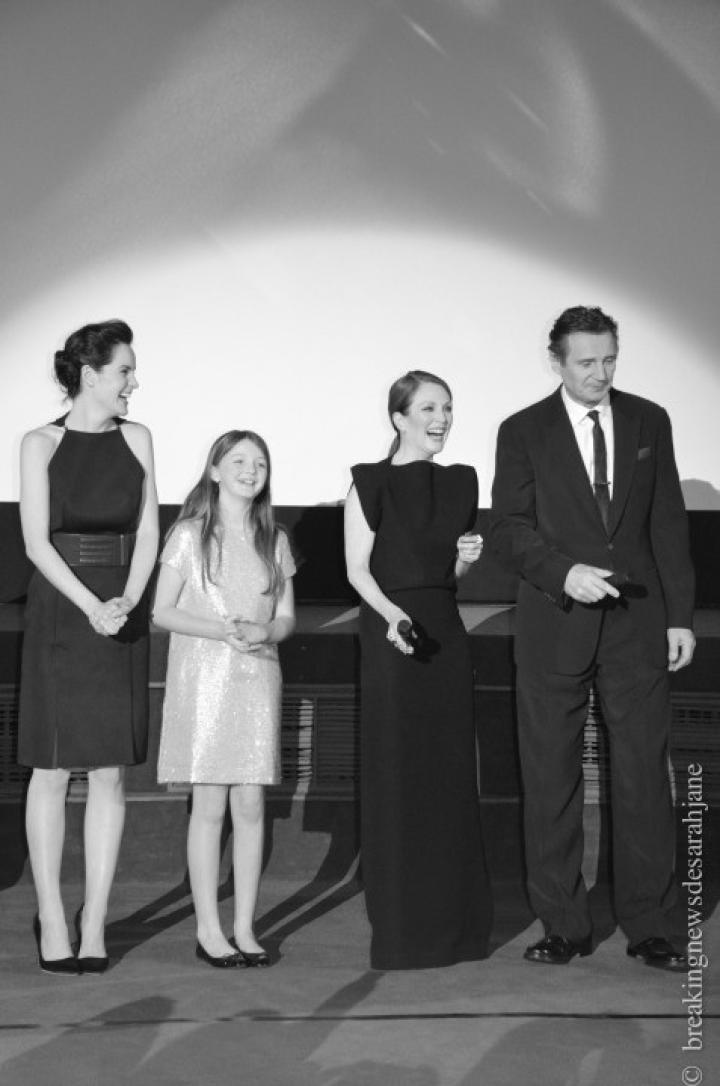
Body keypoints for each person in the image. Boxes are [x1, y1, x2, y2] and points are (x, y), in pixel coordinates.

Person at [488, 306, 695, 970]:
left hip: (637, 626)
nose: (600, 374)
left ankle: (652, 925)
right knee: (550, 778)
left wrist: (680, 616)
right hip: (555, 622)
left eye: (609, 360)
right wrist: (562, 572)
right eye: (585, 362)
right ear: (556, 361)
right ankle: (563, 924)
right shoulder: (522, 431)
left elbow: (668, 523)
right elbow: (511, 527)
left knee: (642, 778)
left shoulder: (648, 420)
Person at [18, 319, 158, 975]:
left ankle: (94, 918)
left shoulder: (138, 438)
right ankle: (51, 914)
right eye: (125, 370)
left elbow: (150, 533)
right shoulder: (39, 443)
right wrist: (91, 607)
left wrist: (126, 601)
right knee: (50, 769)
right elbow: (35, 544)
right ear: (90, 374)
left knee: (108, 771)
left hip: (120, 608)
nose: (134, 381)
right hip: (64, 611)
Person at [344, 370, 493, 970]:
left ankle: (456, 930)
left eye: (448, 408)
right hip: (392, 636)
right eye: (429, 407)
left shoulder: (462, 482)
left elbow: (446, 578)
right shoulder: (369, 482)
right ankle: (403, 930)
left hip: (445, 635)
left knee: (447, 775)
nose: (442, 418)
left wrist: (463, 564)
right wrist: (394, 619)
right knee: (399, 775)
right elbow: (358, 570)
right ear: (399, 416)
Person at [153, 430, 295, 968]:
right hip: (205, 678)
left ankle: (245, 927)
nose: (250, 469)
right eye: (238, 460)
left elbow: (286, 618)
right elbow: (161, 611)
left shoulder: (274, 539)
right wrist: (220, 630)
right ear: (214, 470)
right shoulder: (189, 536)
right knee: (210, 803)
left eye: (260, 461)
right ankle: (209, 930)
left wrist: (265, 633)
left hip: (256, 678)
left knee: (253, 804)